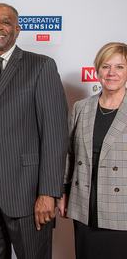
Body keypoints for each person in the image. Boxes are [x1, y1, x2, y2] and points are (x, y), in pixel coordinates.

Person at [0, 3, 68, 259]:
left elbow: (55, 134)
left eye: (5, 21)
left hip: (28, 195)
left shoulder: (41, 66)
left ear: (17, 29)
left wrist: (48, 192)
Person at [58, 42, 127, 259]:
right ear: (97, 70)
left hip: (121, 207)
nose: (112, 73)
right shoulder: (82, 107)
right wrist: (63, 192)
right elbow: (69, 153)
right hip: (84, 204)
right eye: (106, 66)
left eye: (119, 67)